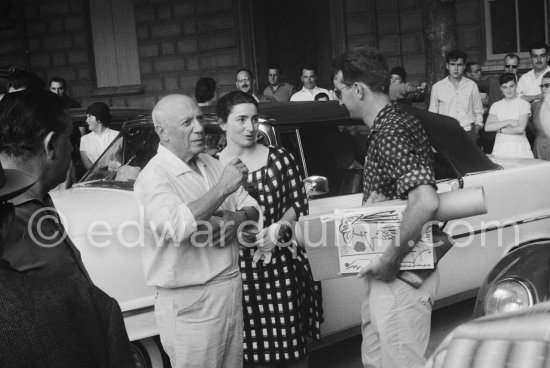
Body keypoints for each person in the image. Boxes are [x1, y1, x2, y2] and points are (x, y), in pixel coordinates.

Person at [134, 94, 262, 368]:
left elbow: (250, 205)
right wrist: (222, 189)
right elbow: (177, 225)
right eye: (187, 122)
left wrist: (237, 219)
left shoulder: (211, 164)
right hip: (190, 303)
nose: (200, 128)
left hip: (228, 291)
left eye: (200, 119)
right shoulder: (153, 177)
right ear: (162, 133)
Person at [333, 47, 440, 368]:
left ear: (359, 89)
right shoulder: (393, 123)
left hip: (400, 275)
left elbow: (426, 200)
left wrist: (391, 260)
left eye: (340, 91)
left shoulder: (390, 131)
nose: (338, 98)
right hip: (392, 275)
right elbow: (407, 197)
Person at [217, 91, 323, 368]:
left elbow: (298, 202)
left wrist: (279, 228)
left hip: (281, 267)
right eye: (240, 119)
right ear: (222, 124)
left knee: (292, 347)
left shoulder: (279, 158)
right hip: (236, 270)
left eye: (254, 119)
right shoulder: (213, 167)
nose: (250, 127)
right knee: (248, 352)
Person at [0, 89, 91, 282]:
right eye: (69, 138)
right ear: (50, 145)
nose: (73, 148)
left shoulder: (38, 199)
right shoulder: (9, 215)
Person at [429, 49, 484, 143]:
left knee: (468, 158)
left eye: (459, 65)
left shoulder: (471, 85)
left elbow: (478, 110)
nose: (456, 69)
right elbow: (433, 113)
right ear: (447, 66)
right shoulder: (437, 87)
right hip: (446, 133)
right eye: (452, 64)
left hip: (468, 132)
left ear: (464, 66)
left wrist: (477, 128)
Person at [484, 73, 533, 159]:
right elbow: (488, 127)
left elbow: (520, 129)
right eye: (505, 87)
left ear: (516, 86)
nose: (508, 90)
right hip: (500, 146)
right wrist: (509, 121)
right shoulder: (496, 105)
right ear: (500, 88)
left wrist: (500, 129)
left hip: (519, 146)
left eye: (511, 86)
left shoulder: (524, 104)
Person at [80, 102, 119, 169]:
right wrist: (101, 170)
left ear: (99, 118)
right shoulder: (84, 139)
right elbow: (86, 164)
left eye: (89, 116)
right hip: (95, 177)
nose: (86, 120)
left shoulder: (117, 135)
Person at [532, 72, 550, 160]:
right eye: (541, 86)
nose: (543, 88)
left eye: (547, 85)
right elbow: (531, 126)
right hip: (538, 147)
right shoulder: (536, 105)